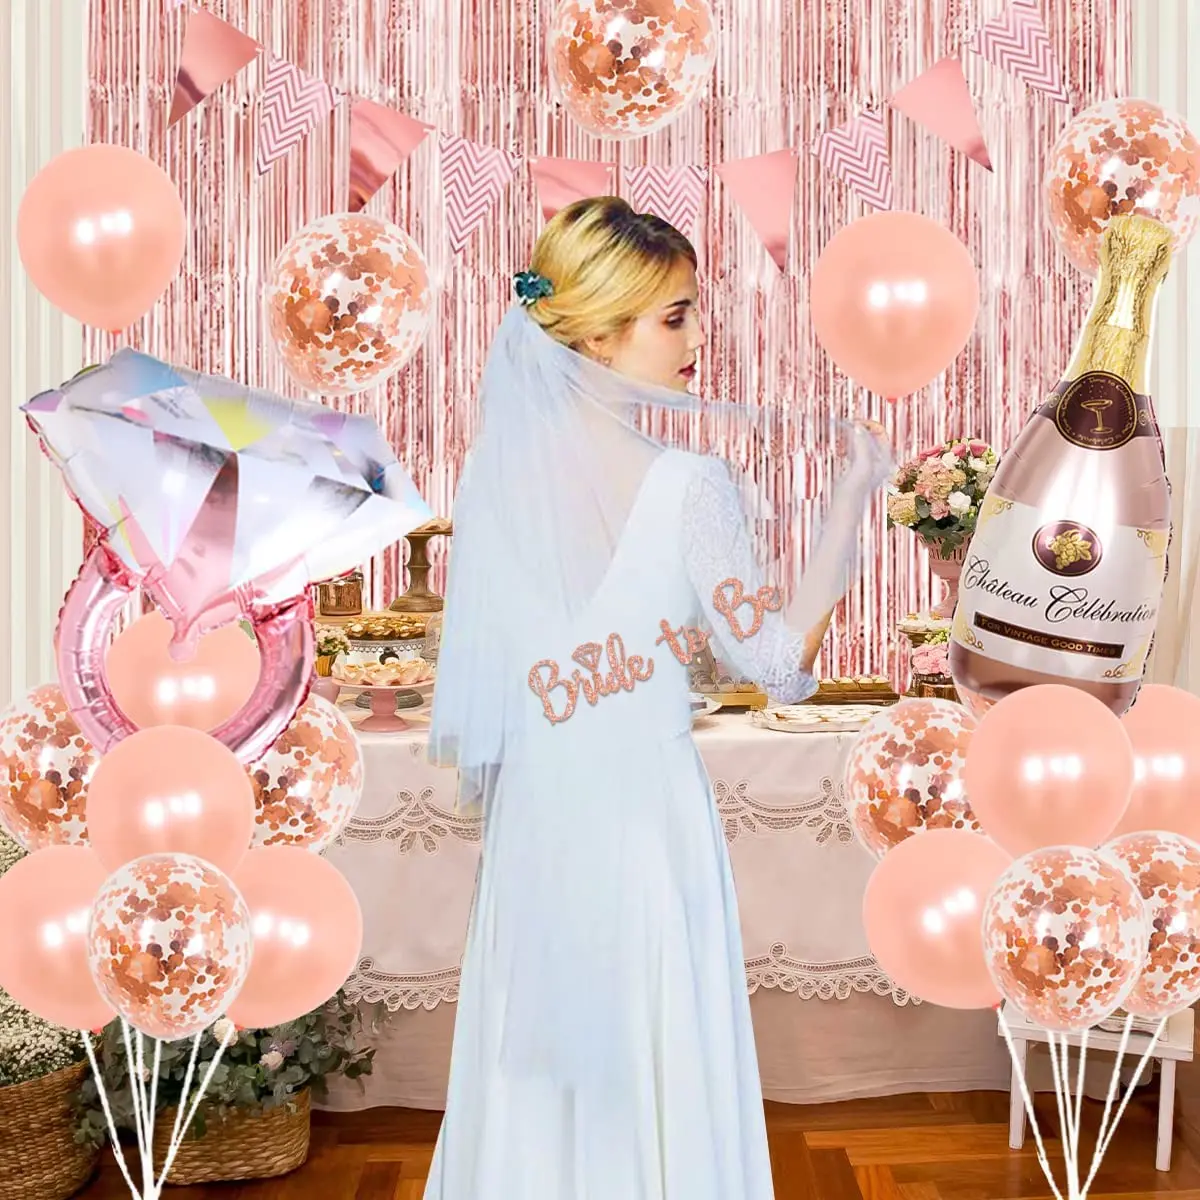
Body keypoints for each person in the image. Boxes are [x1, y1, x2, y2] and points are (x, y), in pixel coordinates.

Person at [425, 196, 892, 1199]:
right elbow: (776, 666)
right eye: (674, 317)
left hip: (537, 821)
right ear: (598, 333)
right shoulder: (687, 485)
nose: (696, 339)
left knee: (537, 1053)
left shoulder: (494, 483)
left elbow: (505, 680)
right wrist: (849, 509)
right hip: (643, 817)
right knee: (653, 1035)